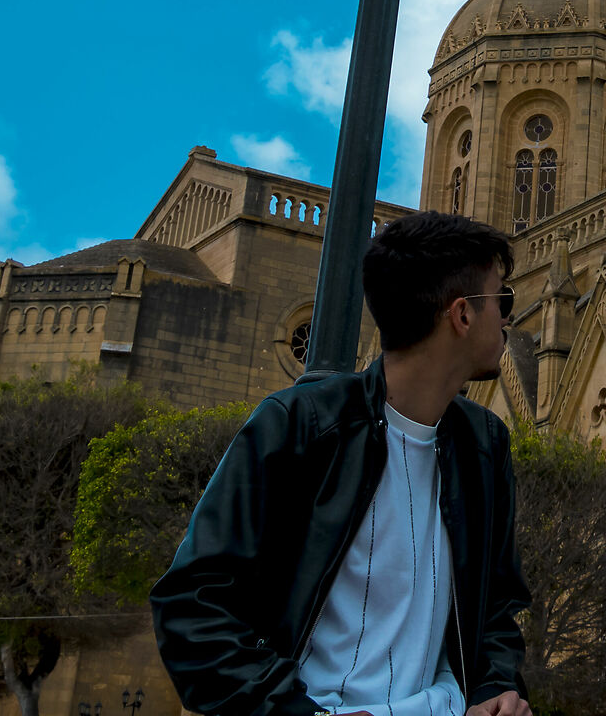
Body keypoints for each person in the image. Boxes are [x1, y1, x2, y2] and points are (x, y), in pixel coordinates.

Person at [152, 212, 533, 716]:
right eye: (501, 300)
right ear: (462, 315)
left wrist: (494, 689)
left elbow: (497, 608)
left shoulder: (484, 446)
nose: (508, 317)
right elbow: (191, 605)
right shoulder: (300, 426)